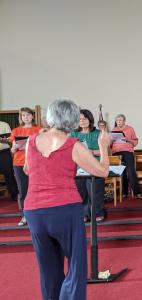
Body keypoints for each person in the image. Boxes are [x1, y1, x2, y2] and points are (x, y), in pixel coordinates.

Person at [23, 99, 109, 300]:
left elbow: (27, 169)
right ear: (72, 120)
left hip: (34, 211)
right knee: (76, 267)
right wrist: (103, 146)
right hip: (64, 209)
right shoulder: (72, 145)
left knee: (48, 270)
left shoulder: (31, 141)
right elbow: (103, 171)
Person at [71, 109, 107, 222]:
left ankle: (98, 213)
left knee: (96, 191)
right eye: (80, 119)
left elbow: (105, 150)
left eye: (84, 118)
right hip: (79, 166)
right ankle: (85, 214)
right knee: (81, 192)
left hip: (95, 165)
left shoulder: (98, 133)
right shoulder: (74, 134)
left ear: (90, 119)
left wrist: (91, 152)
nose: (82, 121)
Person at [9, 107, 41, 225]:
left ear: (32, 116)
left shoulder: (39, 129)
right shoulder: (16, 131)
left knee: (37, 189)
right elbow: (12, 151)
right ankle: (25, 216)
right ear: (21, 117)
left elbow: (42, 147)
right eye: (23, 115)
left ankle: (37, 215)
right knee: (23, 190)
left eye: (28, 115)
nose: (26, 117)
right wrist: (15, 147)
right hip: (19, 163)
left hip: (36, 163)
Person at [111, 114, 142, 198]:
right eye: (117, 120)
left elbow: (135, 142)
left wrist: (127, 139)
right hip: (116, 152)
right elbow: (110, 145)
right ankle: (124, 192)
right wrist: (111, 140)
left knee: (131, 171)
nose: (118, 122)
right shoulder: (113, 130)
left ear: (124, 121)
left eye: (120, 120)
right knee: (121, 172)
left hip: (127, 151)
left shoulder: (130, 129)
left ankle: (137, 192)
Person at [0, 121, 19, 201]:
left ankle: (15, 194)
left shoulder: (4, 124)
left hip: (3, 151)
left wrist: (1, 139)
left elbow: (10, 139)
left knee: (9, 173)